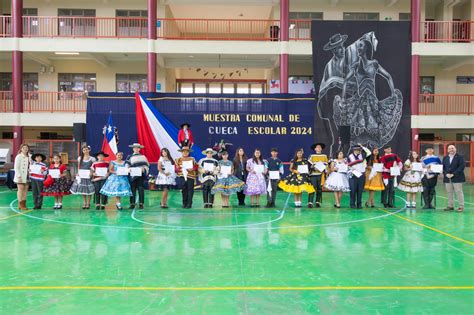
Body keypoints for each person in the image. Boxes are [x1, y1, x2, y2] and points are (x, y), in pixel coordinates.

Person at [70, 145, 96, 209]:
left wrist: (91, 173)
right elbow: (79, 167)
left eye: (86, 149)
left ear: (89, 150)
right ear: (82, 151)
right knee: (83, 189)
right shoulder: (80, 158)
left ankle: (88, 203)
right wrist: (78, 173)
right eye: (84, 150)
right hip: (82, 175)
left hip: (88, 175)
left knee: (89, 190)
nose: (85, 151)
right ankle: (84, 202)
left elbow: (93, 167)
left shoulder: (92, 159)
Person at [442, 144, 465, 212]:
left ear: (455, 149)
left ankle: (461, 206)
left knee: (459, 192)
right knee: (449, 192)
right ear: (447, 150)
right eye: (449, 148)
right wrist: (446, 174)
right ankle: (450, 206)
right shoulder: (445, 157)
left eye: (452, 148)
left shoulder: (460, 157)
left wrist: (453, 174)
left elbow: (461, 167)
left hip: (457, 178)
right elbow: (443, 167)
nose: (451, 149)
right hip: (447, 178)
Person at [126, 143, 149, 209]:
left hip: (140, 175)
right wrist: (129, 169)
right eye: (135, 148)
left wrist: (143, 168)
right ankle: (132, 203)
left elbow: (147, 165)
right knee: (132, 189)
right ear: (133, 149)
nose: (136, 149)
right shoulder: (129, 156)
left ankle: (141, 203)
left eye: (137, 148)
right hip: (132, 175)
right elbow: (127, 165)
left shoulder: (143, 157)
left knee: (140, 189)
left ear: (139, 149)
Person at [347, 144, 371, 209]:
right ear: (354, 150)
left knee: (360, 190)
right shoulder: (350, 156)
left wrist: (362, 147)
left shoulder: (362, 155)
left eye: (359, 150)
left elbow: (369, 152)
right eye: (357, 150)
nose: (358, 151)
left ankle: (359, 204)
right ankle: (352, 204)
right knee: (353, 190)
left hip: (361, 175)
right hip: (353, 175)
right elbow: (348, 165)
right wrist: (353, 170)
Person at [308, 142, 328, 208]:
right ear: (315, 149)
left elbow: (327, 165)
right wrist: (313, 167)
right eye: (317, 147)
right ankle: (310, 202)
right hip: (313, 174)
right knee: (312, 188)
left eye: (320, 147)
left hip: (321, 175)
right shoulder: (312, 156)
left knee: (319, 188)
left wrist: (324, 169)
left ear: (321, 149)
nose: (319, 148)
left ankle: (317, 202)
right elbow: (309, 164)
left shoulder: (324, 156)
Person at [14, 144, 30, 210]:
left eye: (26, 148)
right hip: (20, 176)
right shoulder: (18, 156)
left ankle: (23, 204)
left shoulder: (29, 156)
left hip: (27, 175)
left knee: (25, 191)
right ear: (21, 149)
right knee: (20, 190)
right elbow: (16, 167)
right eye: (24, 148)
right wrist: (19, 176)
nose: (25, 149)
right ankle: (20, 204)